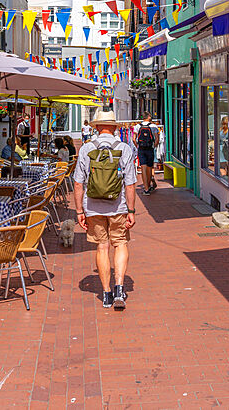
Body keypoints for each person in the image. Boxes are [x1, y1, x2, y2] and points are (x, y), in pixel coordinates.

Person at [73, 110, 138, 310]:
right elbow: (130, 184)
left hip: (93, 207)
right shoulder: (124, 148)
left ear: (97, 127)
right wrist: (131, 210)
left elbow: (78, 184)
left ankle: (106, 293)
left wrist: (79, 212)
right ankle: (119, 288)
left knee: (102, 247)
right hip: (117, 206)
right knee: (119, 244)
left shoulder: (86, 149)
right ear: (115, 127)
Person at [135, 113, 160, 194]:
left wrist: (137, 146)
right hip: (150, 149)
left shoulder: (137, 126)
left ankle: (146, 189)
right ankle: (148, 186)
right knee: (149, 167)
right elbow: (157, 139)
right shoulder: (154, 126)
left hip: (141, 149)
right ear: (149, 117)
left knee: (143, 168)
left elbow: (133, 139)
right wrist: (154, 147)